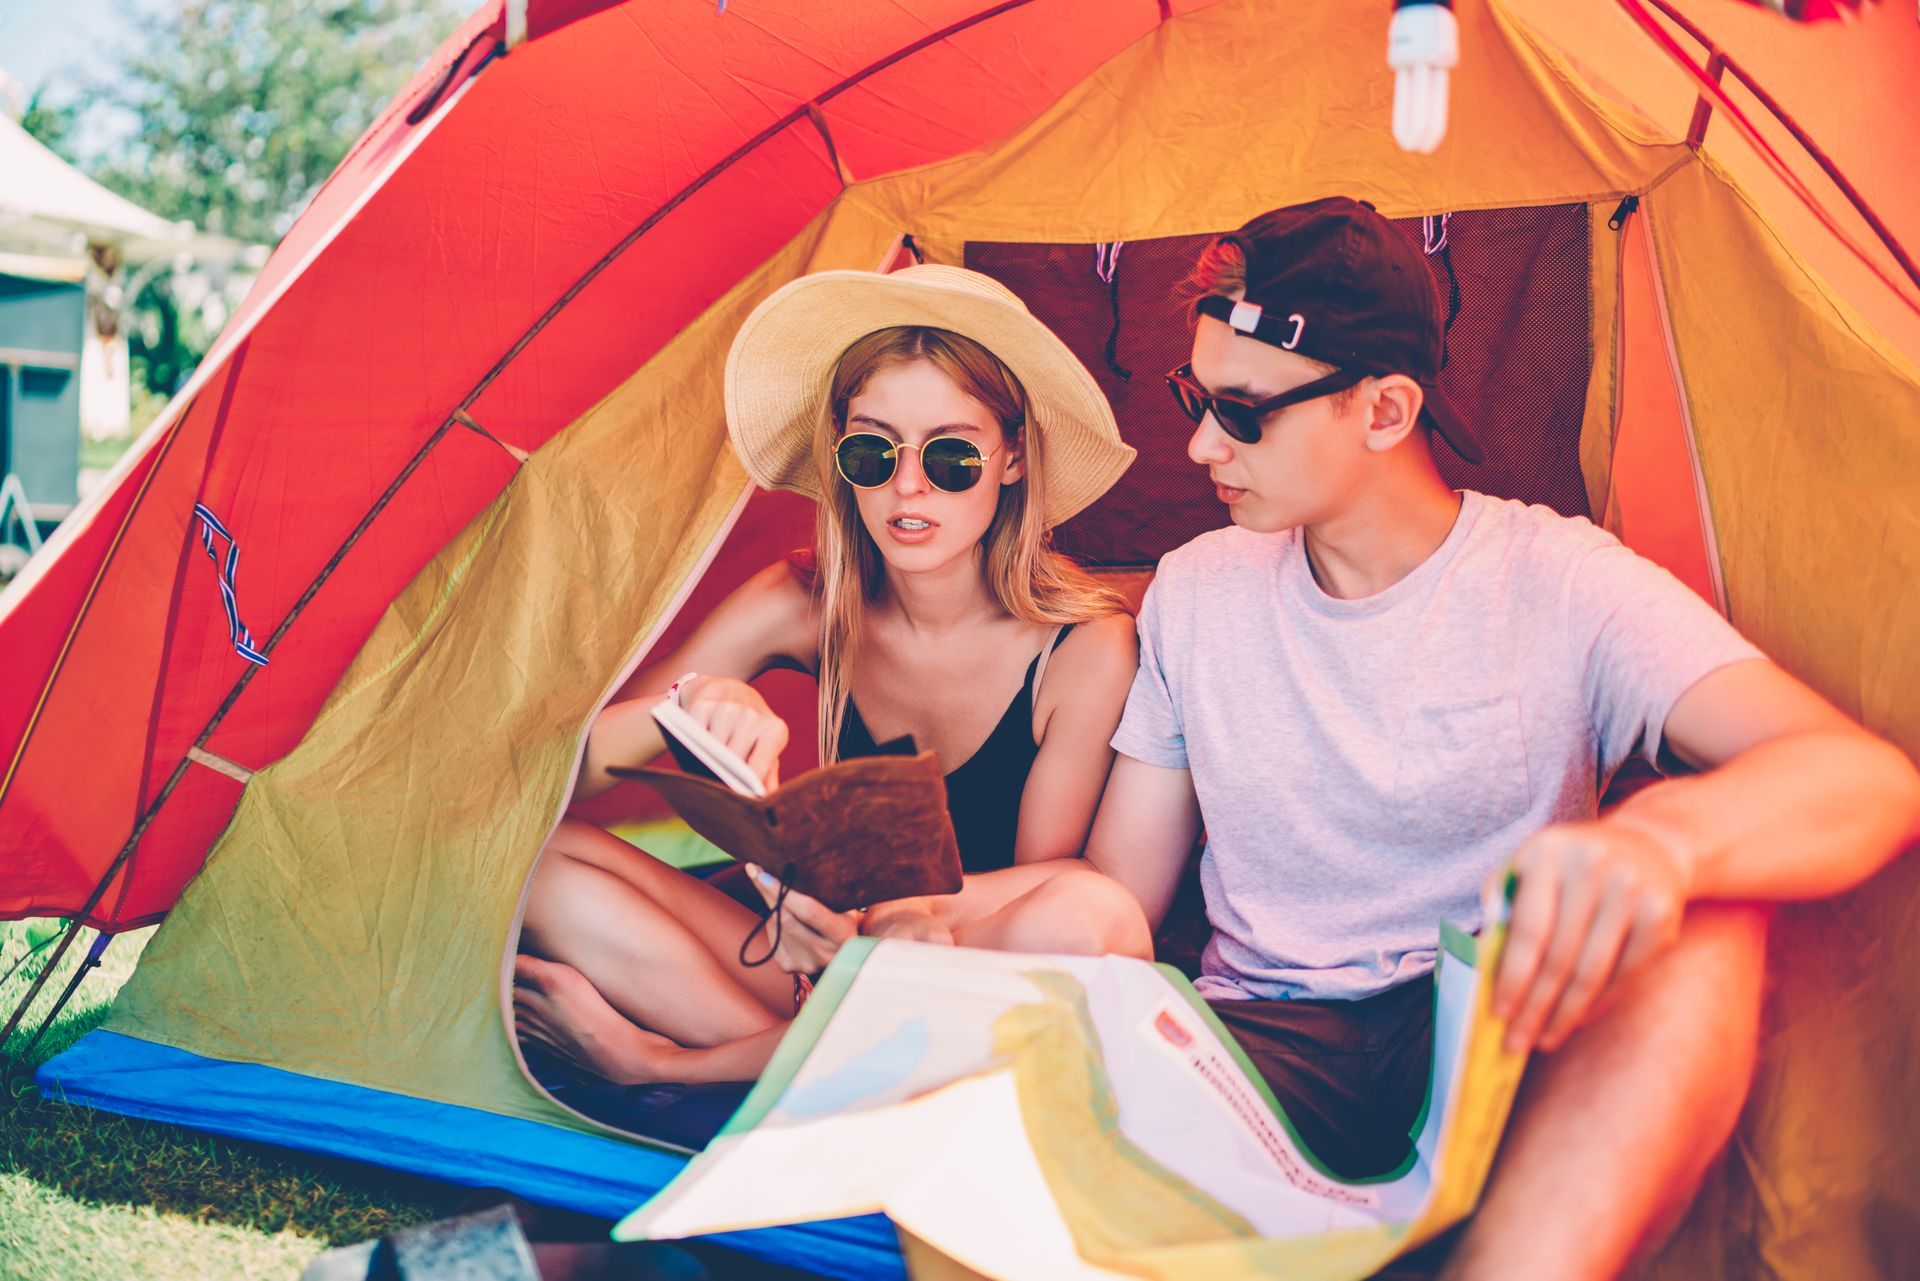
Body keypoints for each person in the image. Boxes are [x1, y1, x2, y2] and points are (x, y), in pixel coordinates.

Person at [1083, 197, 1920, 1277]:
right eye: (1195, 397)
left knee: (1714, 921)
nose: (1200, 444)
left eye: (1243, 413)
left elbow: (1867, 780)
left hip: (1498, 1024)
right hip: (1267, 1046)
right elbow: (1115, 892)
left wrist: (1663, 844)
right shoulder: (1196, 593)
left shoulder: (1560, 578)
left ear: (1384, 410)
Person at [514, 264, 1152, 1087]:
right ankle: (824, 1074)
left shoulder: (1085, 646)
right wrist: (691, 703)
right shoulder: (802, 599)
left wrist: (888, 918)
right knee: (538, 862)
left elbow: (1052, 885)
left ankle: (675, 1064)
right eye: (872, 451)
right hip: (815, 969)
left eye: (952, 455)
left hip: (955, 967)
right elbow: (551, 785)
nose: (908, 484)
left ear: (1013, 459)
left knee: (1081, 919)